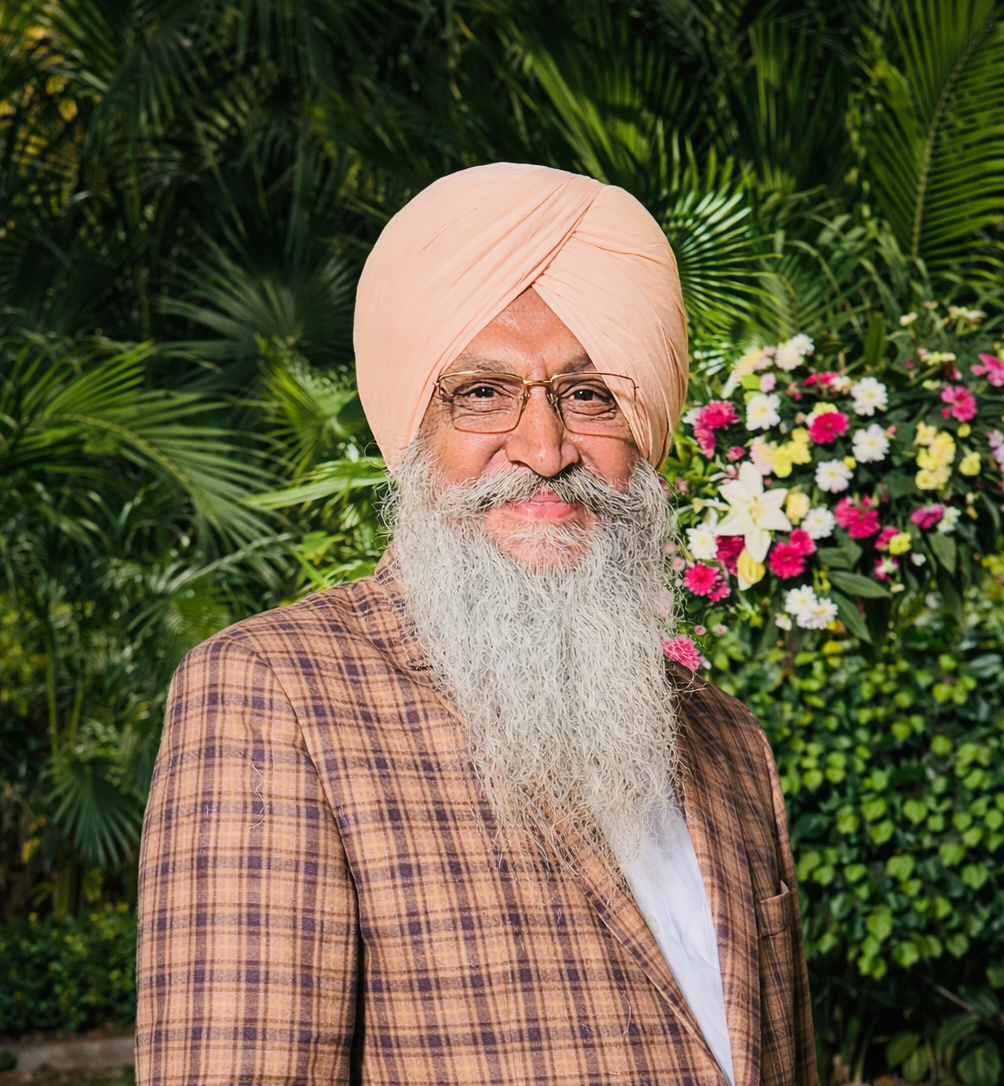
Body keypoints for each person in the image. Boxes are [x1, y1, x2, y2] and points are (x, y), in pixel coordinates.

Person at [136, 163, 817, 1086]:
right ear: (413, 426)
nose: (544, 450)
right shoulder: (274, 697)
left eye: (589, 396)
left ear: (644, 426)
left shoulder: (729, 742)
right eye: (484, 393)